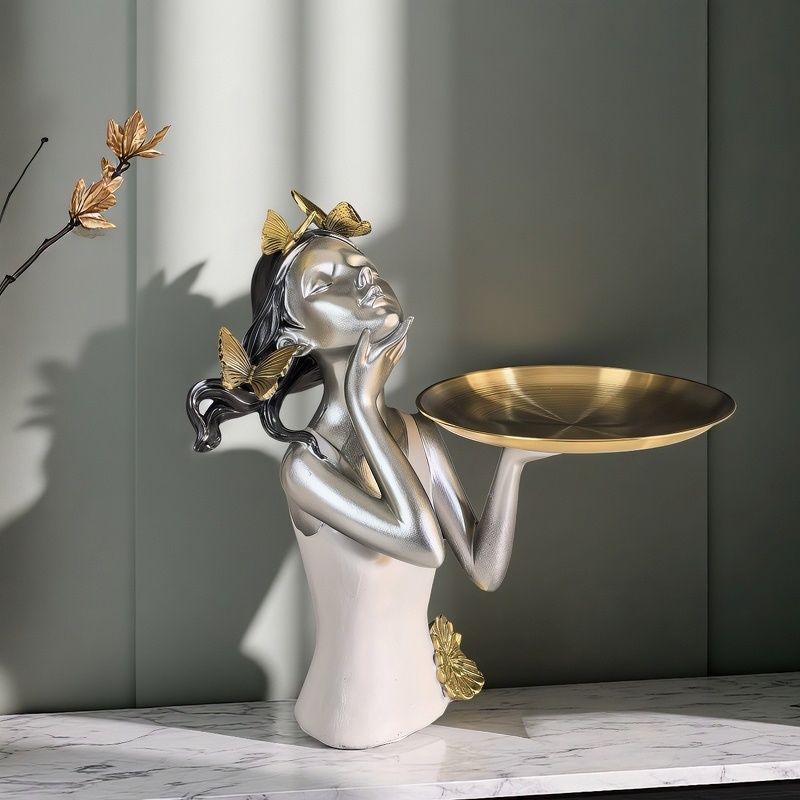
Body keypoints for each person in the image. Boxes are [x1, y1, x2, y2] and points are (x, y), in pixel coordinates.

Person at [187, 192, 550, 748]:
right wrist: (360, 404)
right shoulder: (305, 468)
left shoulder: (418, 433)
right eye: (325, 282)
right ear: (296, 337)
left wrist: (514, 460)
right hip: (350, 716)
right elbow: (422, 545)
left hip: (428, 702)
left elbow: (484, 569)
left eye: (361, 263)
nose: (360, 276)